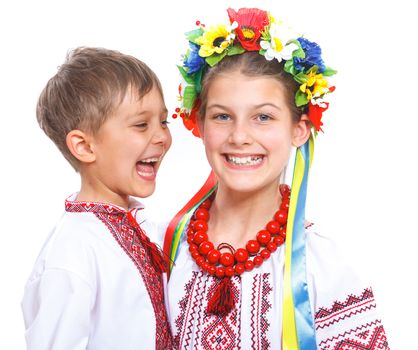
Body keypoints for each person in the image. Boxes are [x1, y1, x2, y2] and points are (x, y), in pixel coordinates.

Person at [164, 8, 389, 349]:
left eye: (263, 117)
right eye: (222, 116)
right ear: (200, 123)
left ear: (299, 129)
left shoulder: (319, 267)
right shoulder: (166, 249)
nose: (239, 136)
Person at [22, 47, 173, 349]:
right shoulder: (72, 253)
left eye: (164, 122)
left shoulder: (147, 229)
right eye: (141, 124)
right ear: (84, 146)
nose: (161, 137)